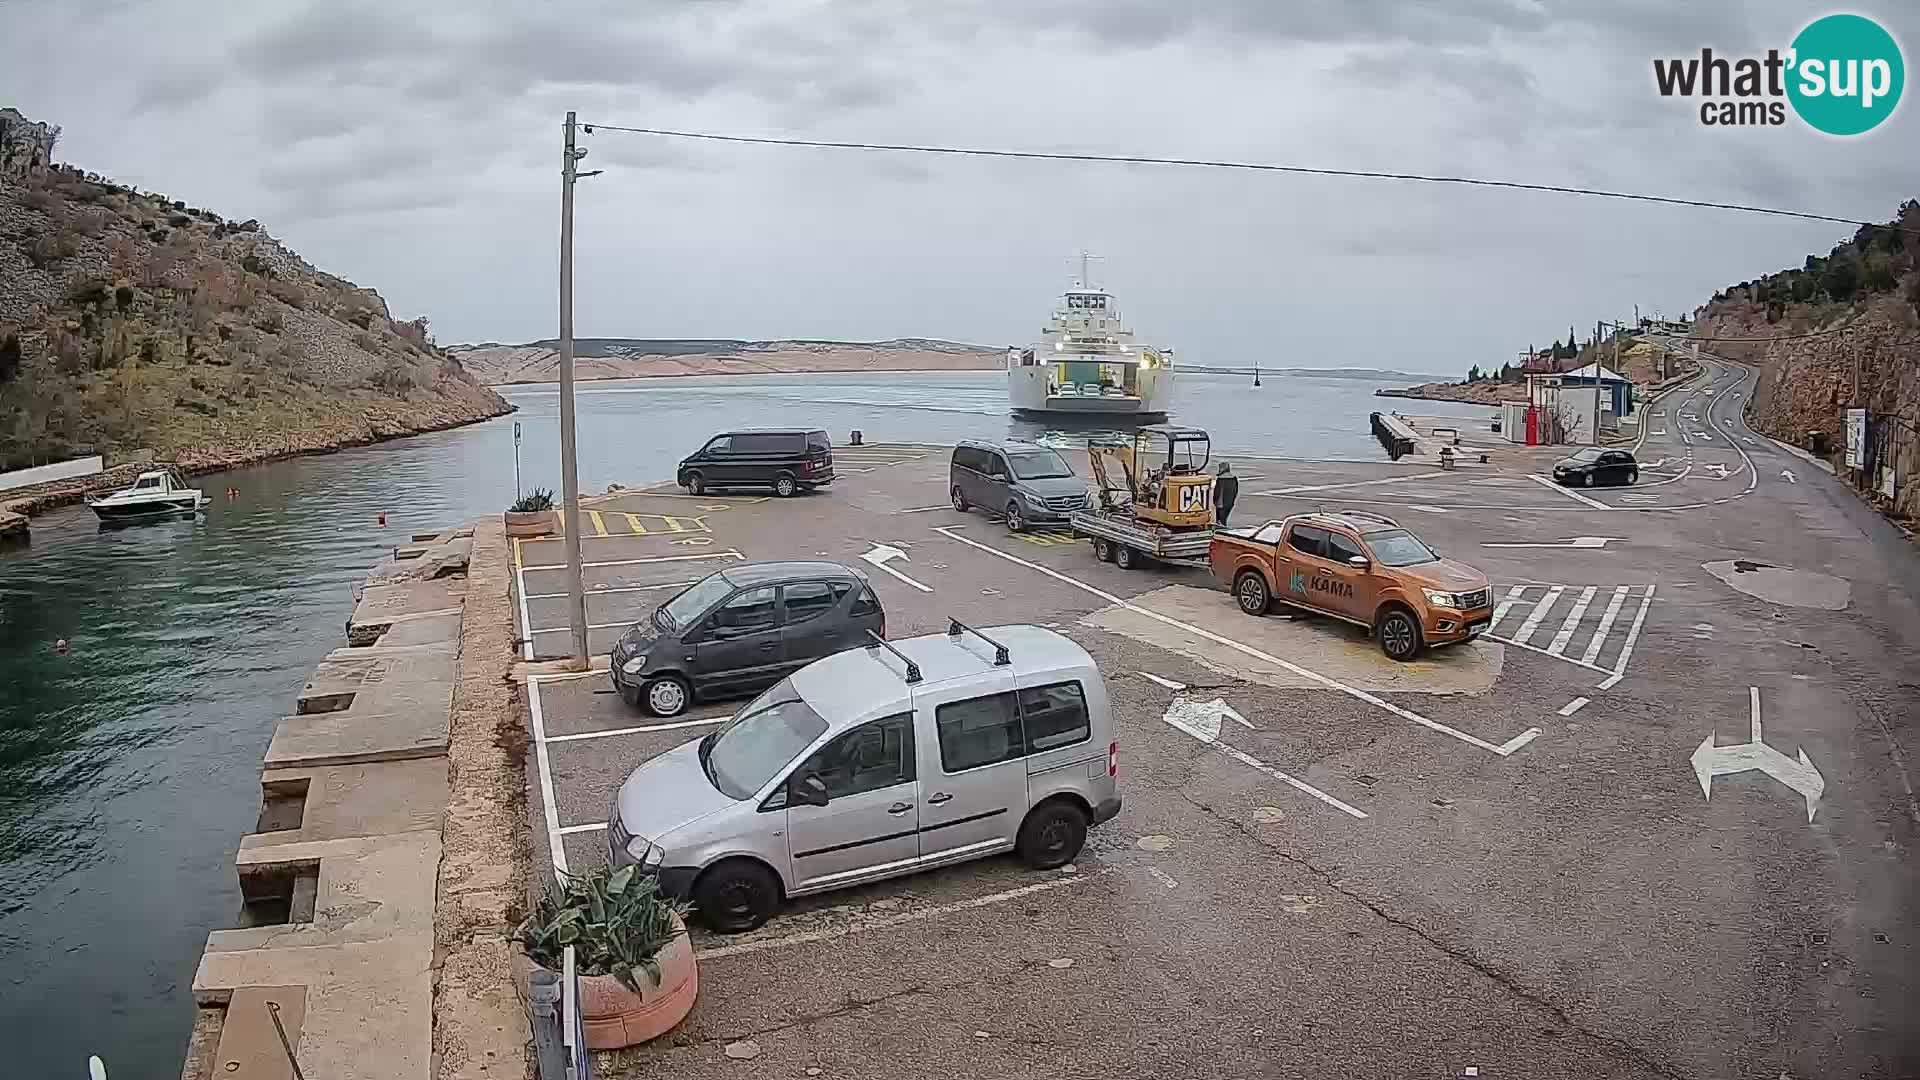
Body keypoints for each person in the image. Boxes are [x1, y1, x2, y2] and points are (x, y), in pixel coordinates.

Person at [1214, 461, 1239, 526]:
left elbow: (1217, 492)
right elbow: (1235, 491)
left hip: (1220, 504)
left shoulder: (1220, 479)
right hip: (1230, 503)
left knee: (1220, 521)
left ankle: (1221, 532)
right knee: (1224, 519)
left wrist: (1214, 501)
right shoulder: (1234, 478)